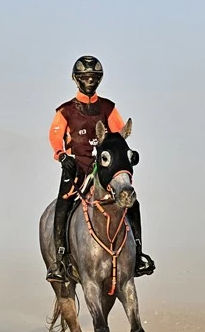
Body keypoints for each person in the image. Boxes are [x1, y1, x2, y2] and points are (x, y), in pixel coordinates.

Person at [45, 55, 155, 283]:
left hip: (103, 169)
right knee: (63, 204)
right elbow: (55, 137)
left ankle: (138, 254)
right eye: (85, 78)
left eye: (94, 78)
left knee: (132, 202)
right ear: (76, 80)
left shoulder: (108, 107)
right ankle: (60, 259)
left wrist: (128, 154)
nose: (89, 82)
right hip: (77, 166)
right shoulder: (65, 111)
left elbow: (119, 135)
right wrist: (62, 155)